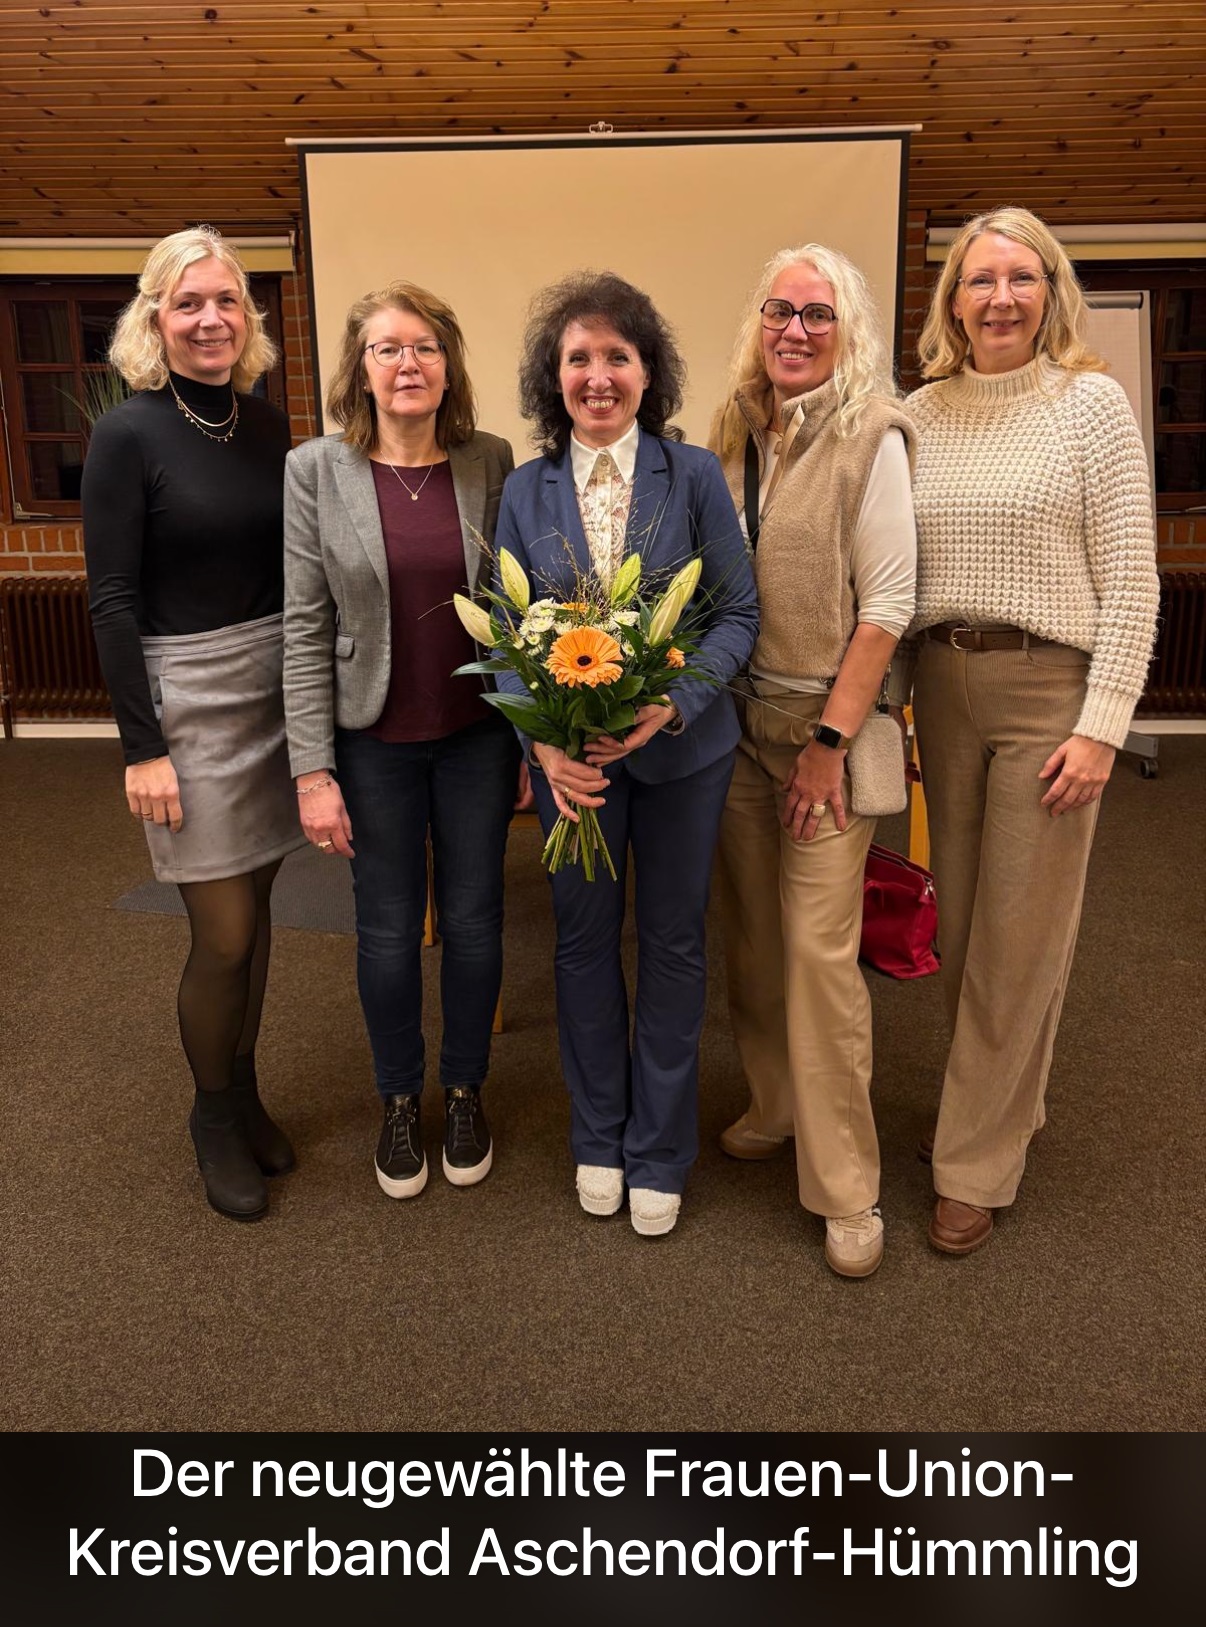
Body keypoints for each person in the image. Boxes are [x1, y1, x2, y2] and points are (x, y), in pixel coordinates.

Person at [898, 205, 1159, 1254]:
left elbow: (1135, 583)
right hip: (943, 688)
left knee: (1022, 935)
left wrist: (1103, 725)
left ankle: (974, 1160)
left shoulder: (1089, 404)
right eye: (978, 279)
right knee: (966, 932)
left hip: (1050, 691)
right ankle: (1002, 1104)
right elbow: (897, 577)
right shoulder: (918, 413)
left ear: (1051, 290)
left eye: (1021, 277)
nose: (999, 296)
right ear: (952, 300)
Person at [494, 270, 759, 1237]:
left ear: (650, 373)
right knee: (580, 944)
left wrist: (674, 707)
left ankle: (660, 1149)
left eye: (617, 356)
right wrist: (541, 747)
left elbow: (737, 611)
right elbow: (505, 638)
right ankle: (597, 1134)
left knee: (676, 946)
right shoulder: (527, 490)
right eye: (578, 359)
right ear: (552, 378)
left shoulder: (691, 478)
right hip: (575, 773)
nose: (597, 376)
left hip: (684, 760)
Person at [282, 281, 520, 1202]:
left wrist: (537, 737)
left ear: (448, 364)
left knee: (473, 923)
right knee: (385, 932)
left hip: (476, 738)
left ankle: (463, 1090)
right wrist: (311, 769)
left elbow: (516, 607)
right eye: (387, 348)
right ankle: (396, 1098)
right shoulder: (316, 470)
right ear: (362, 368)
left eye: (424, 346)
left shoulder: (488, 460)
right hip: (369, 742)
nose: (408, 362)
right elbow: (303, 627)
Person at [83, 226, 302, 1222]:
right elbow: (113, 598)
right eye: (187, 303)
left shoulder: (267, 425)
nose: (209, 318)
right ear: (155, 319)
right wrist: (143, 748)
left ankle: (245, 1089)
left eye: (225, 301)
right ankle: (212, 1114)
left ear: (247, 318)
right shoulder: (126, 433)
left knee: (255, 914)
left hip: (270, 687)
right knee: (219, 931)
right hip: (190, 699)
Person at [709, 245, 917, 1278]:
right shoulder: (737, 434)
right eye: (780, 309)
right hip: (736, 735)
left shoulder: (874, 434)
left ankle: (847, 1187)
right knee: (749, 940)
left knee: (821, 959)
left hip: (824, 740)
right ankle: (777, 1104)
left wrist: (829, 746)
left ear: (849, 331)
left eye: (818, 316)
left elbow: (887, 608)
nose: (795, 330)